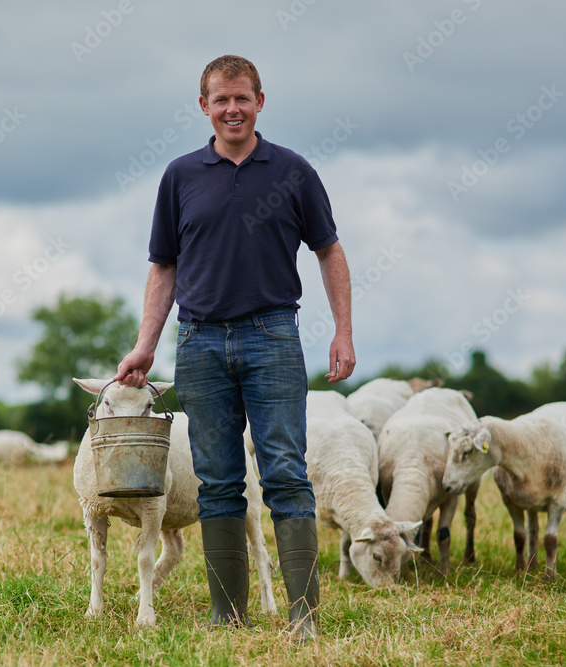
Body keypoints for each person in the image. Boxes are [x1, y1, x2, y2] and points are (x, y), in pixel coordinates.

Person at [115, 55, 355, 639]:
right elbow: (163, 265)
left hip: (274, 335)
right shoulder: (180, 176)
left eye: (242, 98)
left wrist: (343, 330)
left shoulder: (293, 171)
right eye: (220, 100)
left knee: (284, 473)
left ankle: (304, 620)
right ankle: (228, 617)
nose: (232, 109)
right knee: (217, 478)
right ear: (204, 107)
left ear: (260, 101)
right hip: (198, 343)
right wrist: (146, 345)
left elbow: (329, 250)